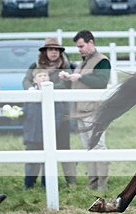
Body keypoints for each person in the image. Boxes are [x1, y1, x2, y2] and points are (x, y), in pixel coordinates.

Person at [59, 30, 111, 191]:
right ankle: (92, 183)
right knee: (89, 147)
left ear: (91, 43)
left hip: (95, 110)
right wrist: (68, 79)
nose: (79, 49)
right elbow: (80, 84)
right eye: (78, 47)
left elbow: (101, 81)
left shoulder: (102, 61)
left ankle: (102, 184)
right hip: (81, 110)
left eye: (81, 46)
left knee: (99, 146)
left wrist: (80, 77)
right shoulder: (83, 62)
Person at [23, 37, 76, 185]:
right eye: (51, 49)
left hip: (61, 113)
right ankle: (30, 183)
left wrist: (46, 87)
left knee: (63, 147)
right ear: (45, 51)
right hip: (38, 115)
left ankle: (71, 182)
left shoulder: (65, 67)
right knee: (35, 148)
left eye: (57, 50)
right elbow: (26, 80)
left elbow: (65, 85)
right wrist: (32, 89)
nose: (54, 52)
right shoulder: (35, 65)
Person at [22, 68, 69, 189]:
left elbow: (59, 112)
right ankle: (29, 184)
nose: (43, 78)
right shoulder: (30, 94)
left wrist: (54, 126)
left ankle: (46, 184)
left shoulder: (53, 93)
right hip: (32, 134)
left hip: (48, 134)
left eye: (45, 75)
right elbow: (25, 112)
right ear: (34, 80)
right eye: (40, 76)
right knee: (32, 160)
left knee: (48, 161)